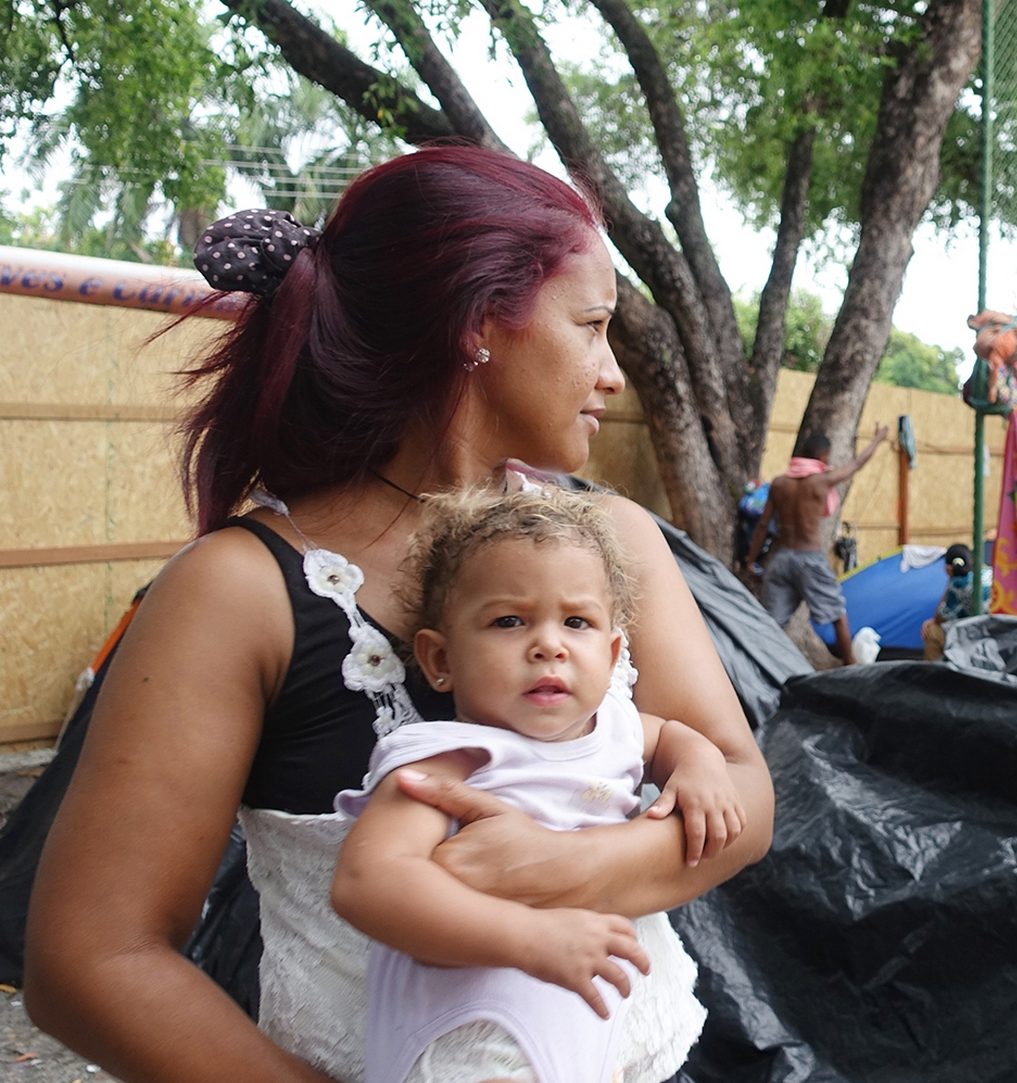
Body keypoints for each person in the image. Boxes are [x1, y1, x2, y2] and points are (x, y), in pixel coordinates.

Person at [24, 145, 772, 1082]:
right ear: (477, 326)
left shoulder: (614, 543)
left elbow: (742, 793)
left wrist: (558, 867)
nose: (612, 373)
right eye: (591, 326)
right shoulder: (242, 591)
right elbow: (91, 958)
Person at [332, 487, 736, 1082]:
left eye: (577, 621)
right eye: (509, 621)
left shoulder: (617, 729)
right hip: (474, 1037)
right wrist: (527, 936)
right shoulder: (448, 759)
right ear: (439, 659)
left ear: (612, 650)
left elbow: (672, 735)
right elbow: (368, 881)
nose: (549, 644)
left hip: (583, 1028)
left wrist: (700, 765)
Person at [747, 425, 890, 664]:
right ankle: (851, 670)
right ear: (823, 456)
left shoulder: (779, 483)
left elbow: (763, 524)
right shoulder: (821, 482)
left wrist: (752, 560)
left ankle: (759, 666)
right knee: (838, 617)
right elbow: (856, 464)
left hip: (781, 560)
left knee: (771, 623)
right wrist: (877, 439)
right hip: (809, 559)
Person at [919, 543, 977, 661]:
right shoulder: (985, 573)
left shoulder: (957, 584)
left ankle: (933, 673)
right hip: (991, 629)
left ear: (949, 567)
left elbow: (941, 616)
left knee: (932, 631)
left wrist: (950, 580)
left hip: (972, 635)